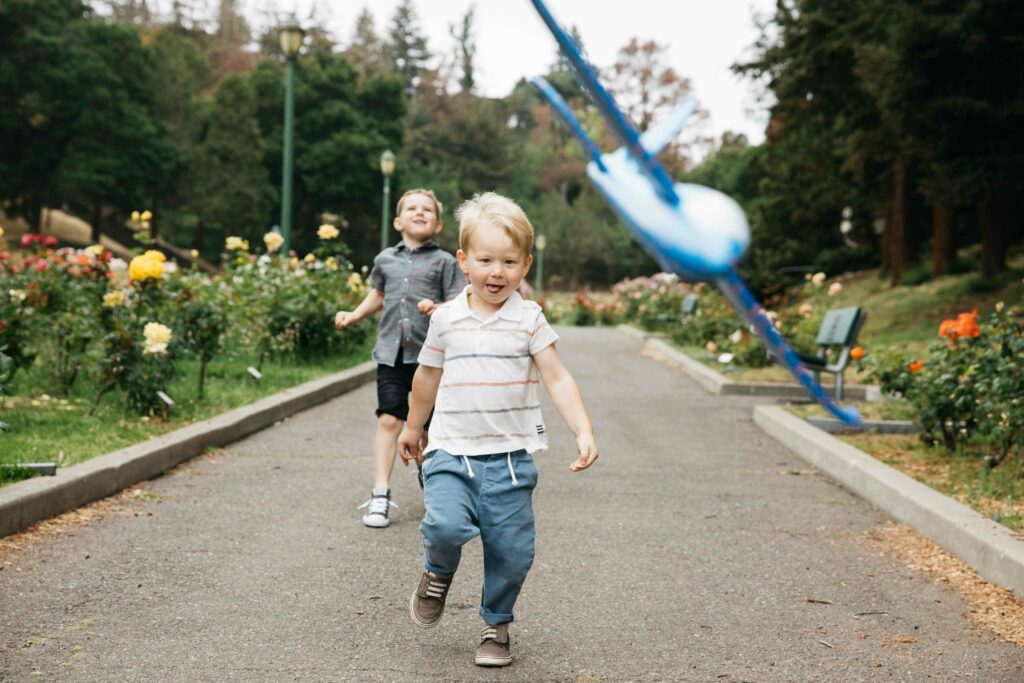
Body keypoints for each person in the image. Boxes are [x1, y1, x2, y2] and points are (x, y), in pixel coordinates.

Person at [397, 192, 599, 667]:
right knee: (445, 525)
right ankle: (438, 571)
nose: (497, 272)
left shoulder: (529, 318)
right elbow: (427, 376)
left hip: (510, 459)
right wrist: (413, 428)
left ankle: (496, 623)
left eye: (509, 262)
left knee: (512, 552)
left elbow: (556, 376)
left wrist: (583, 430)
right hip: (450, 450)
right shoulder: (446, 319)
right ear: (464, 262)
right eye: (486, 260)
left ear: (526, 264)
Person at [335, 188, 464, 528]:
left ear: (437, 225)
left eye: (427, 210)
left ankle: (431, 478)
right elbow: (377, 294)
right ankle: (380, 493)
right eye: (412, 208)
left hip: (431, 359)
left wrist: (439, 308)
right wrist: (354, 315)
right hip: (391, 353)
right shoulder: (384, 260)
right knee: (389, 420)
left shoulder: (446, 262)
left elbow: (459, 300)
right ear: (397, 221)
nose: (419, 213)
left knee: (425, 429)